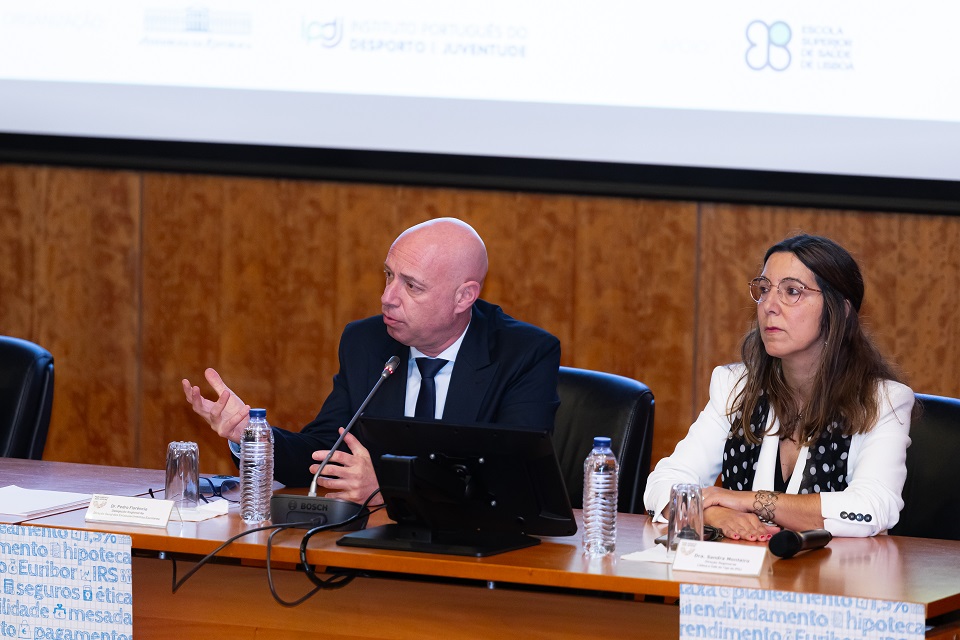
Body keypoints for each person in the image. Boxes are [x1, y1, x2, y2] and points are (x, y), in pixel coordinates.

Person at [182, 217, 561, 504]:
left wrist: (390, 487)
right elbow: (325, 452)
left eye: (411, 286)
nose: (387, 298)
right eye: (389, 275)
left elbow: (514, 482)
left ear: (464, 297)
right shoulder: (367, 342)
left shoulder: (523, 354)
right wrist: (251, 434)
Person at [643, 234, 914, 539]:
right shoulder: (736, 387)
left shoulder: (882, 401)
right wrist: (714, 512)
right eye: (764, 289)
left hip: (834, 580)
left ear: (842, 310)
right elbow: (663, 483)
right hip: (740, 579)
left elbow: (873, 508)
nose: (769, 305)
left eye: (792, 292)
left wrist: (747, 501)